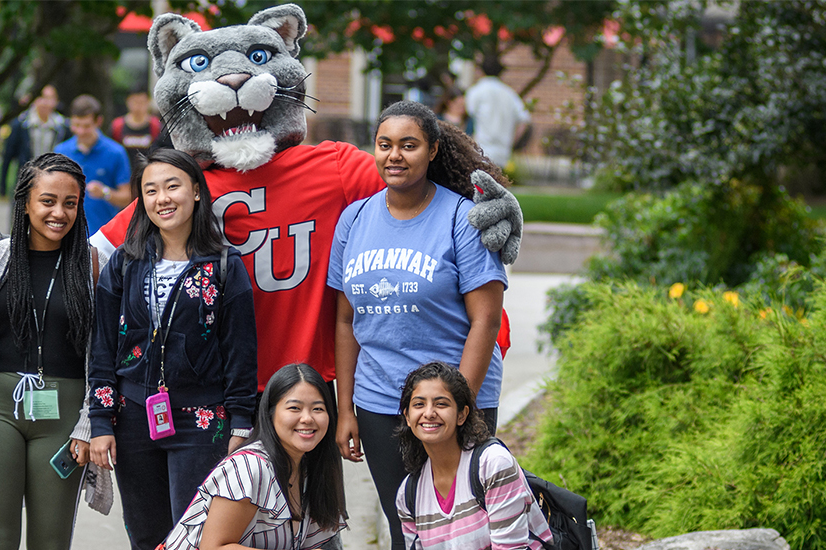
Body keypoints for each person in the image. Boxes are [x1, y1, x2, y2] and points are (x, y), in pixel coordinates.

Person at [328, 100, 508, 550]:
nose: (395, 156)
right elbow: (346, 319)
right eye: (385, 145)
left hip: (458, 398)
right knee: (403, 526)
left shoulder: (462, 218)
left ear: (432, 150)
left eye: (409, 145)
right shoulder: (354, 219)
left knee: (464, 525)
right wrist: (346, 407)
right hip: (381, 400)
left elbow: (485, 320)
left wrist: (456, 408)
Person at [87, 149, 258, 550]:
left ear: (196, 192)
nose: (162, 198)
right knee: (145, 536)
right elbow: (103, 347)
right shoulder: (126, 262)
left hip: (201, 422)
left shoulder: (224, 265)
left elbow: (240, 350)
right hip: (132, 419)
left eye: (172, 186)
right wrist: (99, 421)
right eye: (150, 190)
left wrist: (239, 424)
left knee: (195, 536)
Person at [0, 152, 97, 550]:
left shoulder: (91, 263)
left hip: (64, 414)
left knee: (52, 540)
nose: (59, 212)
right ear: (25, 201)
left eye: (70, 203)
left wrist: (91, 422)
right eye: (48, 201)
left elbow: (103, 351)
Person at [162, 363, 347, 550]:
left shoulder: (311, 467)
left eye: (318, 409)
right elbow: (213, 548)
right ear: (270, 414)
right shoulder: (250, 467)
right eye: (294, 408)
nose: (307, 418)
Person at [394, 363, 551, 550]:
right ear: (408, 418)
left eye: (441, 404)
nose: (429, 413)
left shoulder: (493, 465)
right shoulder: (408, 495)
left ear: (462, 415)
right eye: (419, 404)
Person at [54, 95, 132, 234]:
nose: (81, 131)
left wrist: (105, 193)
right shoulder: (61, 151)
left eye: (86, 126)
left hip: (104, 235)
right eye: (76, 125)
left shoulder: (115, 153)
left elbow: (127, 198)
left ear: (98, 122)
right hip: (68, 234)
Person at [0, 85, 68, 197]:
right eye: (42, 97)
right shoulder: (22, 124)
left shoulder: (62, 127)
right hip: (26, 182)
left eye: (50, 98)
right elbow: (8, 154)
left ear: (56, 101)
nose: (46, 102)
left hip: (53, 182)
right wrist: (2, 185)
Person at [464, 56, 529, 168]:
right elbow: (524, 120)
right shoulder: (509, 93)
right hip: (502, 152)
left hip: (480, 148)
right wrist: (512, 143)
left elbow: (468, 116)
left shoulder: (476, 91)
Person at [109, 90, 163, 175]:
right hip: (124, 176)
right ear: (127, 102)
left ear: (148, 102)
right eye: (134, 102)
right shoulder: (117, 126)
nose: (138, 106)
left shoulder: (156, 126)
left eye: (142, 102)